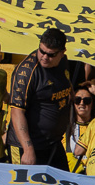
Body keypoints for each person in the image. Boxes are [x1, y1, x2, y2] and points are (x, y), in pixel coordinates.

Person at [8, 27, 76, 169]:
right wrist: (28, 149)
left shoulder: (63, 62)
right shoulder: (26, 72)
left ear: (62, 53)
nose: (44, 57)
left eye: (50, 55)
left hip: (53, 143)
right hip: (28, 146)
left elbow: (65, 81)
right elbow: (17, 112)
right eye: (42, 51)